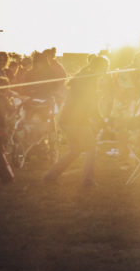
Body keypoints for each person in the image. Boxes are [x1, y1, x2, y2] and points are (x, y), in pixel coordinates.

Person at [43, 55, 109, 187]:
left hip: (67, 119)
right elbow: (91, 104)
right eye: (105, 68)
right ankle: (88, 180)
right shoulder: (89, 79)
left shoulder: (84, 76)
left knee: (75, 150)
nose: (106, 71)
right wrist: (100, 119)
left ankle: (51, 175)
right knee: (91, 148)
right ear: (99, 67)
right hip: (76, 120)